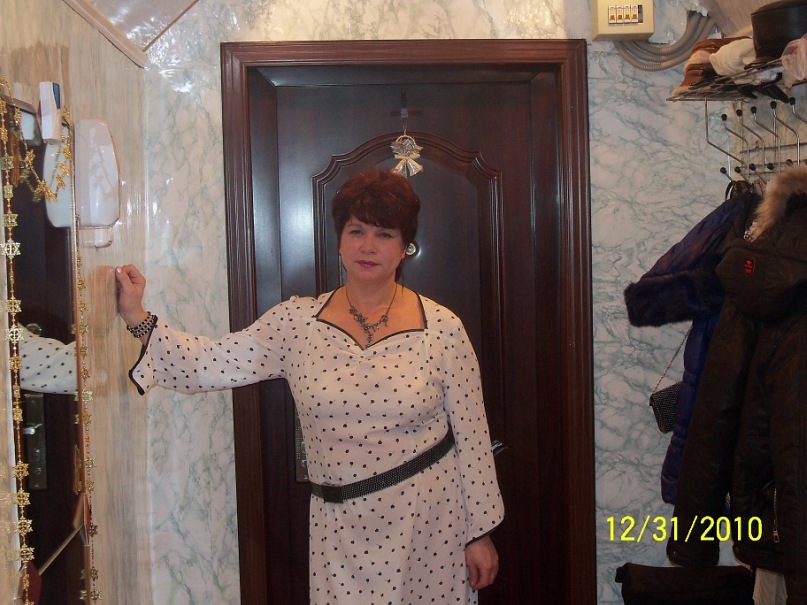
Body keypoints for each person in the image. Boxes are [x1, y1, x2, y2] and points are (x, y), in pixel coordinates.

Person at [116, 169, 504, 604]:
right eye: (356, 231)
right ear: (339, 242)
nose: (368, 246)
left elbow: (472, 437)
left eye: (384, 234)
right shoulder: (296, 324)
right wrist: (138, 318)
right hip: (340, 528)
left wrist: (479, 533)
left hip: (430, 522)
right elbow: (213, 361)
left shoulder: (442, 328)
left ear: (403, 248)